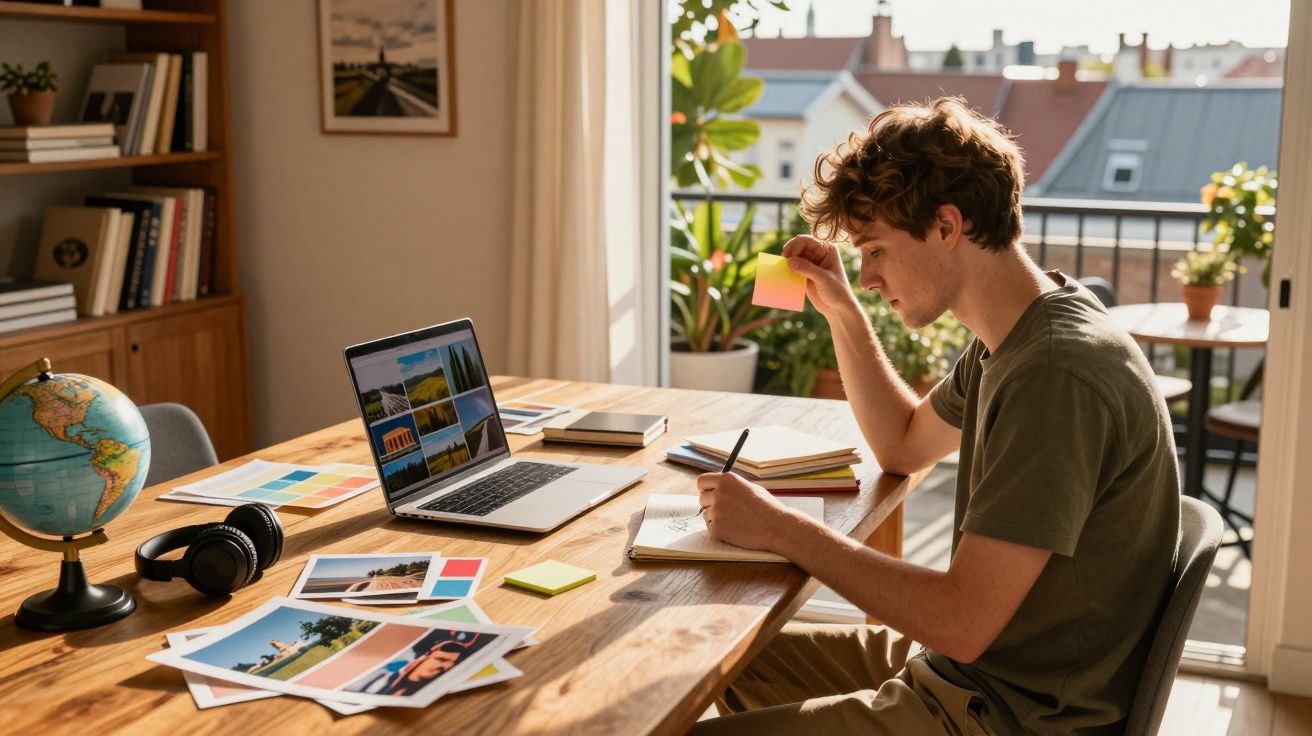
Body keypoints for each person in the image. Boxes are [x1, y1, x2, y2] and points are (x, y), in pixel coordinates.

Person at [691, 98, 1180, 735]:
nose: (868, 276)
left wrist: (782, 529)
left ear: (947, 225)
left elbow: (962, 621)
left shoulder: (1054, 375)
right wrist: (841, 310)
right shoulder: (1018, 331)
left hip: (1009, 714)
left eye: (875, 250)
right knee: (710, 652)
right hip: (971, 672)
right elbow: (902, 445)